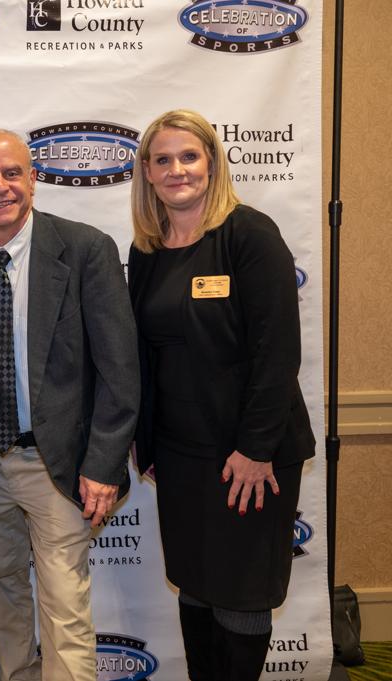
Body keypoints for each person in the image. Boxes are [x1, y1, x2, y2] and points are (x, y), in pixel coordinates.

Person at [0, 129, 139, 681]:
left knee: (64, 603)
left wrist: (103, 465)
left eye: (11, 174)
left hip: (59, 460)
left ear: (33, 180)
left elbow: (120, 371)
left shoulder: (85, 248)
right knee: (2, 587)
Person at [127, 109, 315, 680]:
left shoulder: (249, 235)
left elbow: (277, 352)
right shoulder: (147, 250)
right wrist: (148, 444)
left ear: (211, 162)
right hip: (181, 454)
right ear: (147, 173)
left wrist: (256, 449)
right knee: (196, 582)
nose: (177, 170)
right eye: (163, 160)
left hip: (247, 454)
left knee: (240, 590)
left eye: (189, 156)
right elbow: (146, 356)